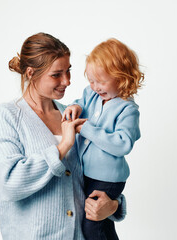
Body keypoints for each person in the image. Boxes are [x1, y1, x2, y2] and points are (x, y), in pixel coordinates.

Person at [0, 33, 127, 240]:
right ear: (30, 73)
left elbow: (96, 176)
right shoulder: (7, 116)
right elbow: (10, 184)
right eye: (56, 74)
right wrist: (64, 146)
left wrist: (114, 205)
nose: (67, 81)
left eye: (68, 71)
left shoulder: (73, 113)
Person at [62, 38, 144, 240]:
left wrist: (87, 128)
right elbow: (81, 103)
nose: (95, 86)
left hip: (108, 178)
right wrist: (75, 106)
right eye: (91, 80)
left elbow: (122, 144)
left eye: (101, 81)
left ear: (122, 78)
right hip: (87, 174)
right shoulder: (91, 94)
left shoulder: (127, 109)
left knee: (93, 226)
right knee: (100, 225)